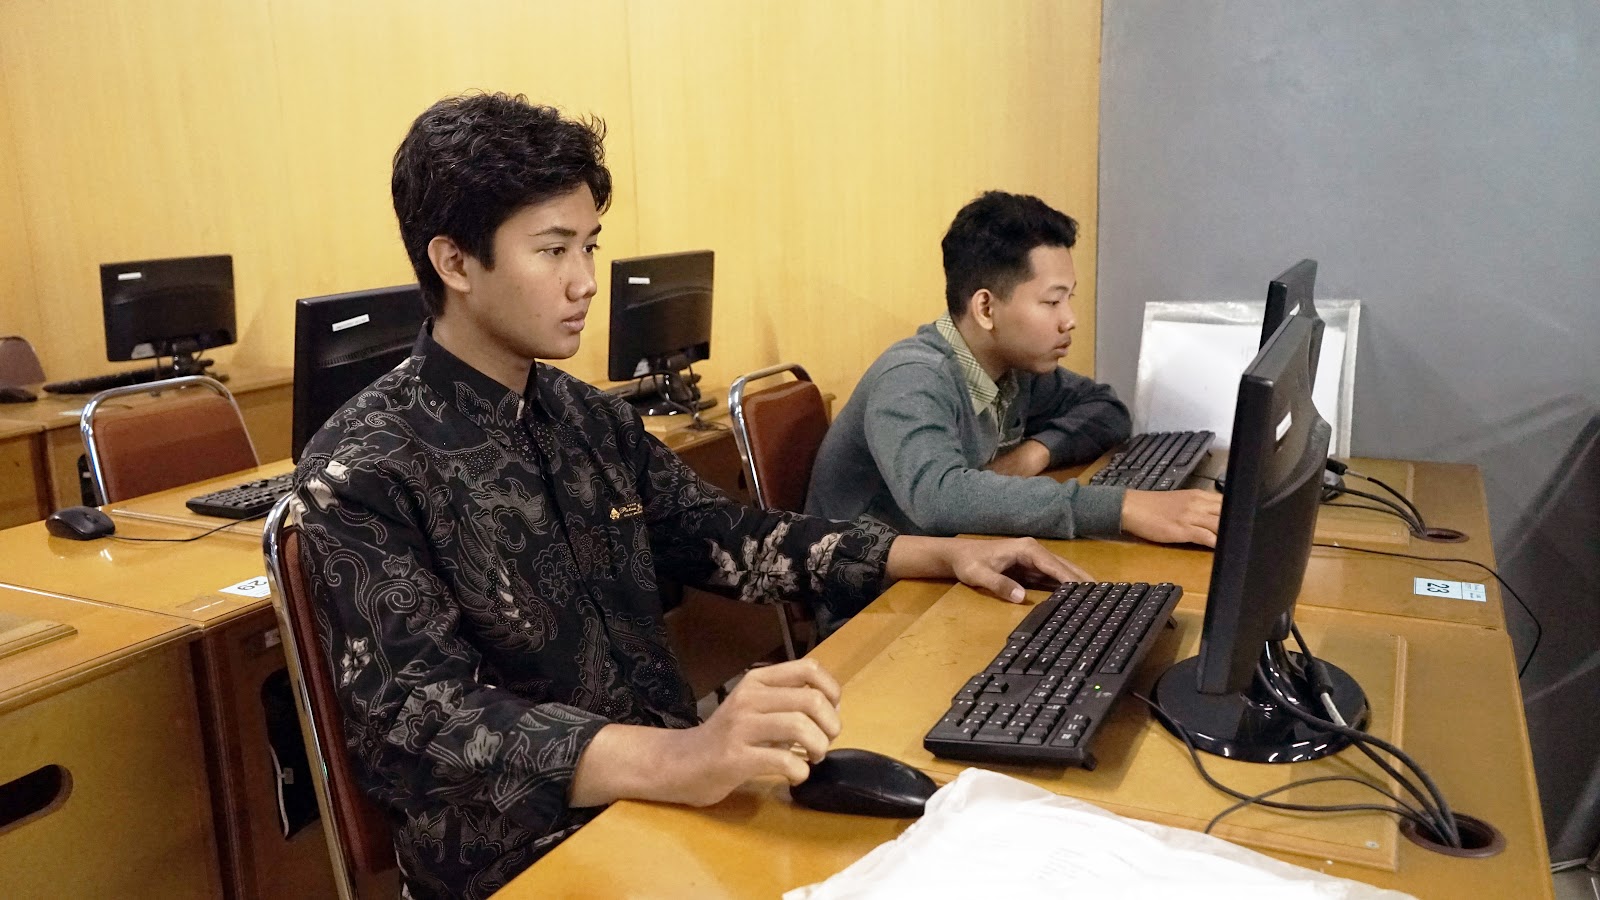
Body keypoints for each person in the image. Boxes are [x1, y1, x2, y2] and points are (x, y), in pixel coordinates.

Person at [290, 94, 1084, 900]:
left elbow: (723, 534)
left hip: (666, 804)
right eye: (554, 251)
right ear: (455, 264)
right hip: (521, 861)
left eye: (589, 247)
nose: (585, 282)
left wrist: (938, 552)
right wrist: (686, 756)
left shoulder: (588, 418)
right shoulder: (363, 467)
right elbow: (423, 726)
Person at [806, 190, 1222, 547]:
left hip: (953, 560)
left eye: (1070, 298)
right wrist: (1124, 506)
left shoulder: (1012, 370)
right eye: (1052, 301)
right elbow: (938, 498)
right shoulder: (911, 378)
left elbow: (1106, 410)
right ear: (986, 308)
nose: (1070, 320)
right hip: (873, 600)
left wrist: (1032, 455)